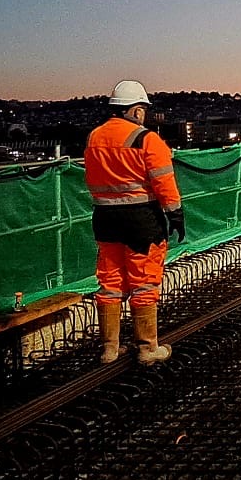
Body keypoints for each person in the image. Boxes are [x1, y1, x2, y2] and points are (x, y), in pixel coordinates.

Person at [86, 80, 185, 365]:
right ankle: (146, 348)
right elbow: (164, 180)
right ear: (137, 110)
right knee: (144, 283)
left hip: (105, 219)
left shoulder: (95, 137)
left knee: (110, 282)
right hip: (142, 221)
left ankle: (109, 349)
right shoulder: (146, 139)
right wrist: (175, 215)